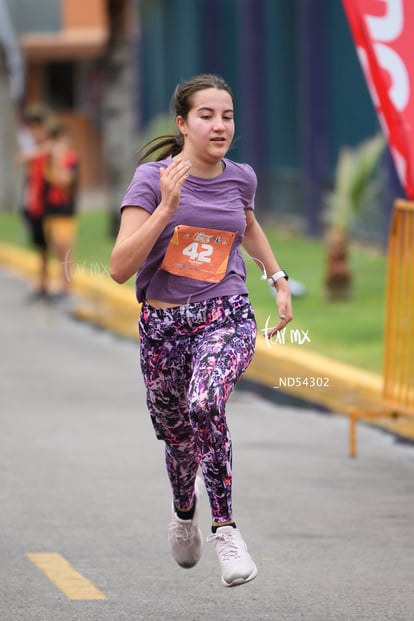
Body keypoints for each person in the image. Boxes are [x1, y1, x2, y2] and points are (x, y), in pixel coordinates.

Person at [110, 74, 292, 587]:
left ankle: (226, 530)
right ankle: (184, 510)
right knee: (178, 438)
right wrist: (167, 207)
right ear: (182, 124)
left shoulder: (242, 178)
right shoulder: (152, 180)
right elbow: (120, 268)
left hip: (225, 314)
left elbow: (246, 224)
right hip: (163, 325)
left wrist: (276, 277)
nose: (219, 125)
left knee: (206, 402)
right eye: (207, 115)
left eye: (227, 115)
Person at [42, 122, 79, 299]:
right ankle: (60, 283)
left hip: (65, 211)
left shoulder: (71, 159)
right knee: (56, 248)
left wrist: (57, 160)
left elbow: (65, 181)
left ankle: (67, 287)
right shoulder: (47, 161)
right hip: (51, 210)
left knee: (65, 248)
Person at [18, 105, 51, 300]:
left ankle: (62, 286)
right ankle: (42, 283)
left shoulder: (48, 148)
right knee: (41, 246)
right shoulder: (35, 152)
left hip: (50, 205)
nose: (35, 133)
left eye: (37, 128)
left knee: (56, 245)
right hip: (36, 204)